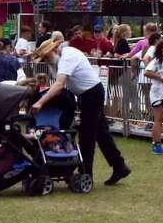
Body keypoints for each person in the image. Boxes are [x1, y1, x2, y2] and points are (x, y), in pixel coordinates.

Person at [32, 40, 130, 186]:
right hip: (87, 95)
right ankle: (119, 166)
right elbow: (60, 85)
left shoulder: (67, 57)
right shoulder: (58, 60)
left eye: (46, 57)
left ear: (53, 51)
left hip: (92, 94)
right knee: (101, 134)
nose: (46, 61)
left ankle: (86, 172)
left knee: (87, 136)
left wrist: (40, 102)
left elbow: (59, 85)